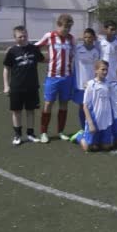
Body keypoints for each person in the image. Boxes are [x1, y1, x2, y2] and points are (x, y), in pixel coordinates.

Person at [35, 13, 75, 143]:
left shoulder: (71, 39)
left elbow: (75, 54)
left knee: (63, 104)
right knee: (48, 104)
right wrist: (43, 59)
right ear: (58, 25)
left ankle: (61, 132)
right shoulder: (49, 36)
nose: (67, 30)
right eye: (65, 27)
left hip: (67, 77)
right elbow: (35, 48)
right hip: (52, 77)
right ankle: (44, 132)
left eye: (69, 28)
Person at [3, 25, 45, 145]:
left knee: (30, 111)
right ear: (15, 38)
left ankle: (31, 134)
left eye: (25, 35)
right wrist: (6, 86)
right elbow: (6, 69)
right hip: (16, 87)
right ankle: (17, 135)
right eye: (20, 36)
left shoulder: (34, 49)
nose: (23, 38)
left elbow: (43, 59)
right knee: (16, 111)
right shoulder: (11, 51)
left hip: (32, 87)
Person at [72, 60, 113, 152]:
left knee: (106, 147)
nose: (105, 72)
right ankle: (79, 136)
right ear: (96, 70)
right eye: (103, 69)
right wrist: (90, 123)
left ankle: (97, 140)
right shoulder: (91, 85)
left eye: (106, 70)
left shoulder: (109, 84)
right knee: (88, 148)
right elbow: (85, 106)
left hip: (106, 121)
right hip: (94, 120)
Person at [72, 28, 101, 130]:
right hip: (80, 84)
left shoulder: (96, 51)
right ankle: (83, 128)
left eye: (90, 37)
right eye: (85, 37)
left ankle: (91, 126)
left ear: (93, 38)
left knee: (92, 106)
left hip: (92, 84)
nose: (87, 39)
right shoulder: (77, 48)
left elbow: (97, 68)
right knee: (82, 106)